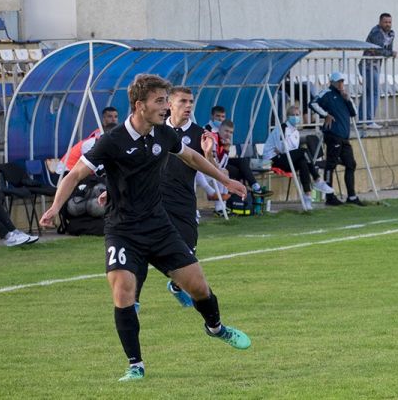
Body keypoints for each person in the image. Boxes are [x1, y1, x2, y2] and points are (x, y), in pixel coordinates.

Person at [39, 74, 251, 382]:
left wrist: (224, 178)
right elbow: (73, 175)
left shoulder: (163, 134)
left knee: (199, 288)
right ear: (140, 106)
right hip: (123, 230)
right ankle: (135, 364)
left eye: (167, 100)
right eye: (160, 101)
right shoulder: (112, 141)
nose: (166, 107)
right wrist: (55, 208)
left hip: (159, 226)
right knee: (123, 292)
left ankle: (216, 328)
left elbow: (190, 156)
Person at [134, 86, 212, 309]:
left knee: (187, 254)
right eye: (183, 101)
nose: (188, 106)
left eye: (191, 102)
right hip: (153, 201)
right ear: (170, 104)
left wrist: (208, 153)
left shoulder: (199, 134)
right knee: (141, 251)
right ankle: (134, 301)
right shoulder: (154, 129)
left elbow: (213, 172)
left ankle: (177, 286)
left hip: (184, 203)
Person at [262, 105, 335, 210]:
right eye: (293, 115)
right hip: (273, 160)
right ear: (288, 116)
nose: (296, 117)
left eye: (297, 115)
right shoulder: (283, 128)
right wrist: (285, 150)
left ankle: (307, 197)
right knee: (303, 151)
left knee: (302, 162)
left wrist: (286, 151)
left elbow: (290, 151)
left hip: (285, 158)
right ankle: (317, 180)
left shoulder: (296, 132)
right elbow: (282, 149)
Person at [309, 72, 364, 207]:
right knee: (331, 165)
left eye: (342, 81)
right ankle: (329, 197)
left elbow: (354, 113)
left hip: (344, 137)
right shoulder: (327, 93)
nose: (341, 84)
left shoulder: (343, 95)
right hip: (333, 135)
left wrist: (348, 99)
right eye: (338, 82)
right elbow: (312, 103)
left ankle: (351, 196)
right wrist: (325, 114)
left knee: (351, 164)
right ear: (332, 82)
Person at [360, 13, 396, 130]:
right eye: (385, 22)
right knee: (374, 92)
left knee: (368, 92)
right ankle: (369, 121)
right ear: (380, 22)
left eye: (389, 22)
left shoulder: (391, 33)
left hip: (375, 65)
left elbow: (387, 50)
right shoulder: (376, 32)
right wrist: (390, 53)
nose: (388, 24)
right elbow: (377, 50)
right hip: (368, 65)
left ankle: (362, 120)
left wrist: (389, 53)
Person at [61, 107, 119, 171]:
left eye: (116, 117)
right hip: (68, 170)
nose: (114, 119)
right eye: (110, 116)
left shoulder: (111, 134)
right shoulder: (97, 137)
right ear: (103, 119)